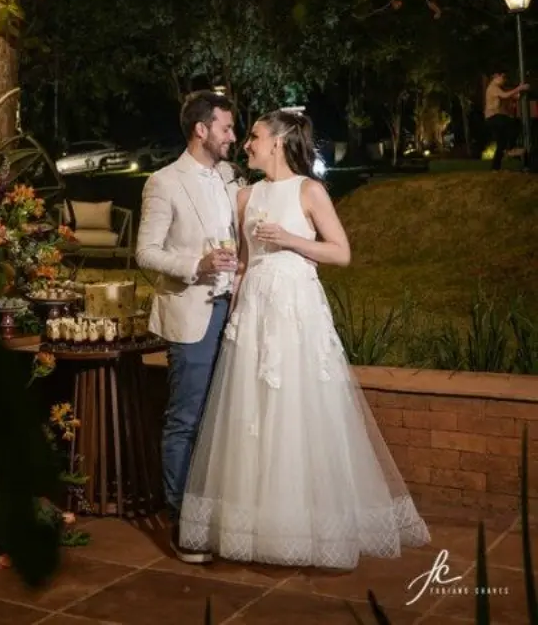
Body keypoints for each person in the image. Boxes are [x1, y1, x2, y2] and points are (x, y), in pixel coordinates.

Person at [178, 109, 430, 569]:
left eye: (254, 136)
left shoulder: (309, 190)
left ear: (277, 141)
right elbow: (245, 263)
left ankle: (308, 523)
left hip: (297, 312)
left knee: (299, 409)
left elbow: (341, 252)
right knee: (252, 415)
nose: (246, 144)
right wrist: (233, 317)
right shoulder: (246, 196)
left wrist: (290, 239)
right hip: (255, 313)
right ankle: (255, 526)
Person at [135, 90, 240, 562]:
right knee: (186, 420)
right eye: (226, 128)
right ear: (202, 129)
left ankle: (214, 513)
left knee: (223, 419)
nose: (232, 136)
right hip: (193, 314)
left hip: (233, 311)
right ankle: (182, 522)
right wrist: (196, 265)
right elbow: (145, 252)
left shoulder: (229, 177)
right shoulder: (163, 182)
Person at [484, 73, 529, 170]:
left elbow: (511, 96)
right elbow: (505, 95)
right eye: (502, 77)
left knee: (501, 143)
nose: (504, 80)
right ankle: (511, 147)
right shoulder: (493, 87)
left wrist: (518, 93)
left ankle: (495, 167)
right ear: (495, 76)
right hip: (493, 117)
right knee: (514, 123)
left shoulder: (499, 88)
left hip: (495, 118)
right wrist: (519, 88)